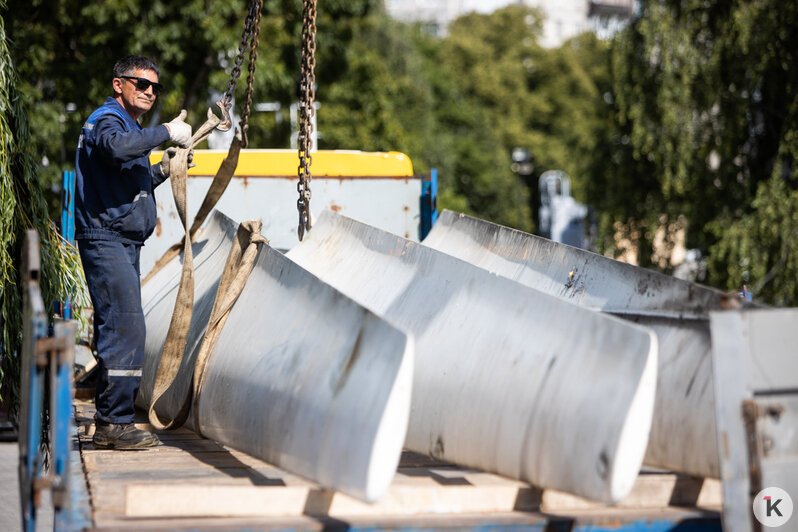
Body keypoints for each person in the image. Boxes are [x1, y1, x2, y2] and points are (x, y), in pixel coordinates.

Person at [75, 55, 192, 449]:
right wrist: (166, 132)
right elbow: (115, 149)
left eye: (154, 87)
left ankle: (113, 420)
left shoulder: (130, 128)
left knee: (119, 327)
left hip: (122, 241)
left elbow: (129, 177)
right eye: (141, 84)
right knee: (126, 327)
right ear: (118, 85)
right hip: (106, 239)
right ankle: (115, 424)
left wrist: (163, 168)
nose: (149, 92)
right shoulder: (107, 121)